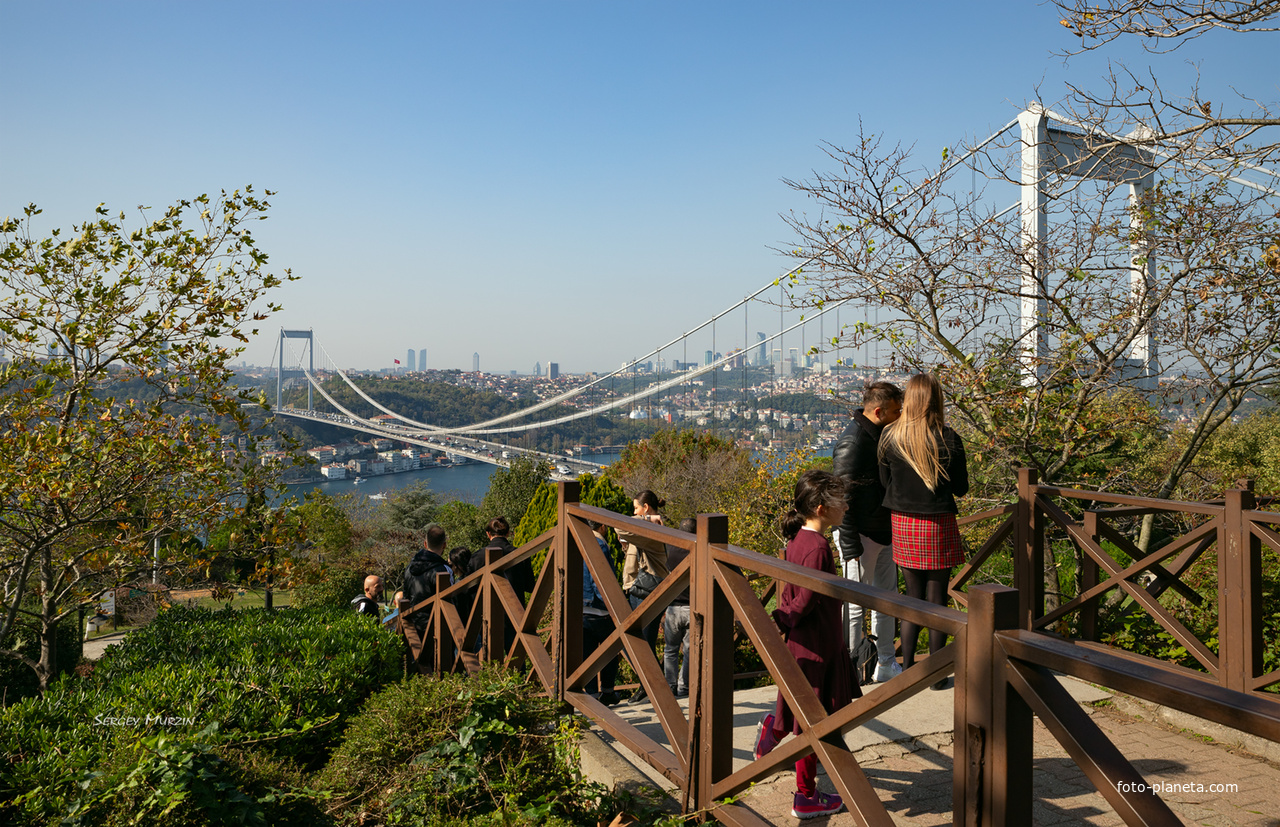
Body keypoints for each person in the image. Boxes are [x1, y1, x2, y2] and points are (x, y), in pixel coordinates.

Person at [752, 470, 854, 820]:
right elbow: (807, 598)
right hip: (818, 644)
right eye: (840, 500)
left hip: (803, 643)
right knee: (817, 723)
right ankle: (806, 795)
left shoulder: (797, 540)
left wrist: (783, 620)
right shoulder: (819, 547)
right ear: (823, 508)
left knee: (804, 714)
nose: (846, 505)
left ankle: (775, 731)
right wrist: (785, 617)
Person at [878, 373, 969, 690]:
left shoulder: (890, 437)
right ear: (935, 400)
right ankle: (936, 672)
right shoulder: (949, 438)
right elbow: (962, 488)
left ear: (909, 400)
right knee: (936, 598)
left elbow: (885, 484)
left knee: (912, 595)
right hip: (938, 521)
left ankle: (906, 669)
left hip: (903, 522)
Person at [831, 381, 904, 684]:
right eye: (896, 411)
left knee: (887, 601)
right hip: (860, 536)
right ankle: (849, 670)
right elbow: (840, 496)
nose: (900, 415)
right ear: (879, 411)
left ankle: (885, 663)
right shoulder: (854, 442)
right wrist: (850, 545)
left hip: (881, 530)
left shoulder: (877, 436)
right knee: (855, 606)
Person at [615, 490, 670, 704]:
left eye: (636, 509)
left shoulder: (651, 529)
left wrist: (647, 519)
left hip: (647, 593)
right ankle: (651, 685)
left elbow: (618, 525)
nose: (634, 513)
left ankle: (651, 686)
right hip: (637, 590)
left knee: (641, 643)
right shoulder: (646, 528)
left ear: (645, 508)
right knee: (636, 642)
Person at [582, 521, 622, 706]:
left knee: (588, 654)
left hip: (581, 608)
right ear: (603, 527)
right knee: (610, 652)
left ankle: (591, 694)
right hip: (600, 607)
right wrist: (611, 603)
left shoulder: (577, 542)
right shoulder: (598, 544)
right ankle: (607, 691)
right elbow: (598, 577)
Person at [662, 517, 696, 698]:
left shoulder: (670, 549)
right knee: (690, 651)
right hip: (693, 606)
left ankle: (670, 686)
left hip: (673, 607)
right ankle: (684, 687)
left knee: (670, 649)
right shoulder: (698, 551)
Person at [401, 524, 453, 633]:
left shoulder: (409, 567)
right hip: (435, 626)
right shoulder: (444, 569)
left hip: (412, 625)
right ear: (444, 545)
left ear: (425, 544)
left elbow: (406, 594)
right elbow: (450, 600)